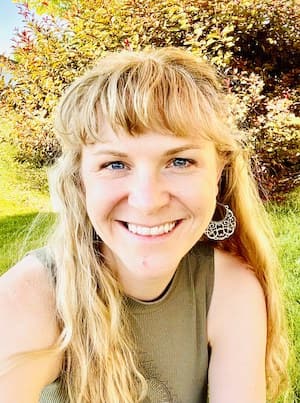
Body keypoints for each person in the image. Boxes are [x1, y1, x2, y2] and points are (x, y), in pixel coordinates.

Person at [0, 47, 289, 403]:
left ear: (219, 174)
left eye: (180, 161)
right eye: (115, 164)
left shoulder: (230, 289)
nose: (148, 200)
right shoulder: (28, 298)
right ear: (80, 180)